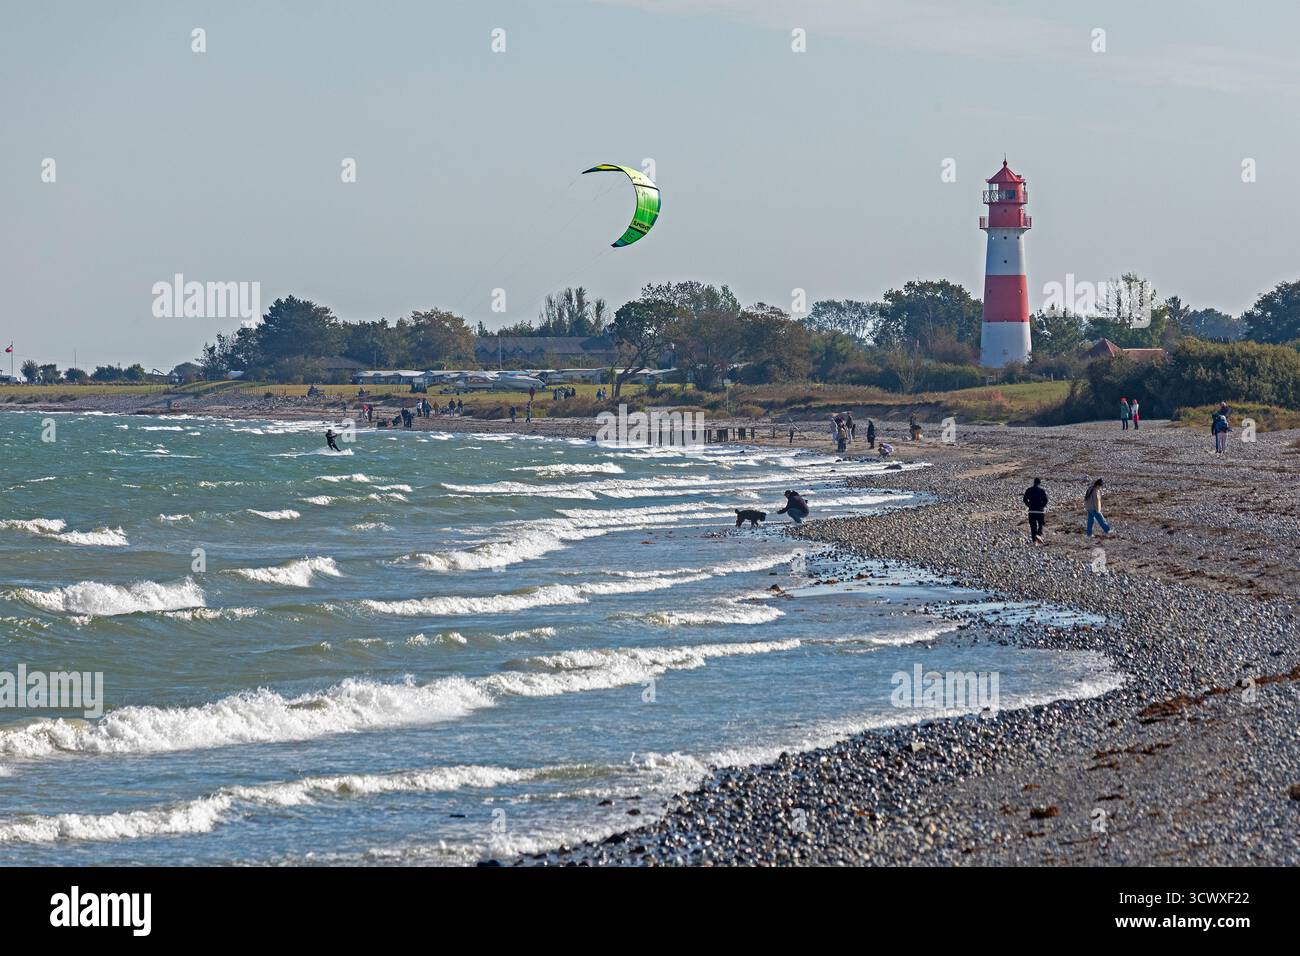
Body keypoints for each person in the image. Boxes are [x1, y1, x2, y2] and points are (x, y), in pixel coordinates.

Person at [1022, 477, 1048, 544]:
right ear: (1039, 483)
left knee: (1033, 527)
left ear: (1034, 482)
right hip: (1040, 511)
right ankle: (1038, 535)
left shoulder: (1029, 490)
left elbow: (1024, 499)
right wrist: (1042, 506)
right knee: (1041, 524)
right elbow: (1046, 500)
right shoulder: (1042, 491)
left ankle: (1034, 541)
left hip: (1031, 511)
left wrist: (1029, 505)